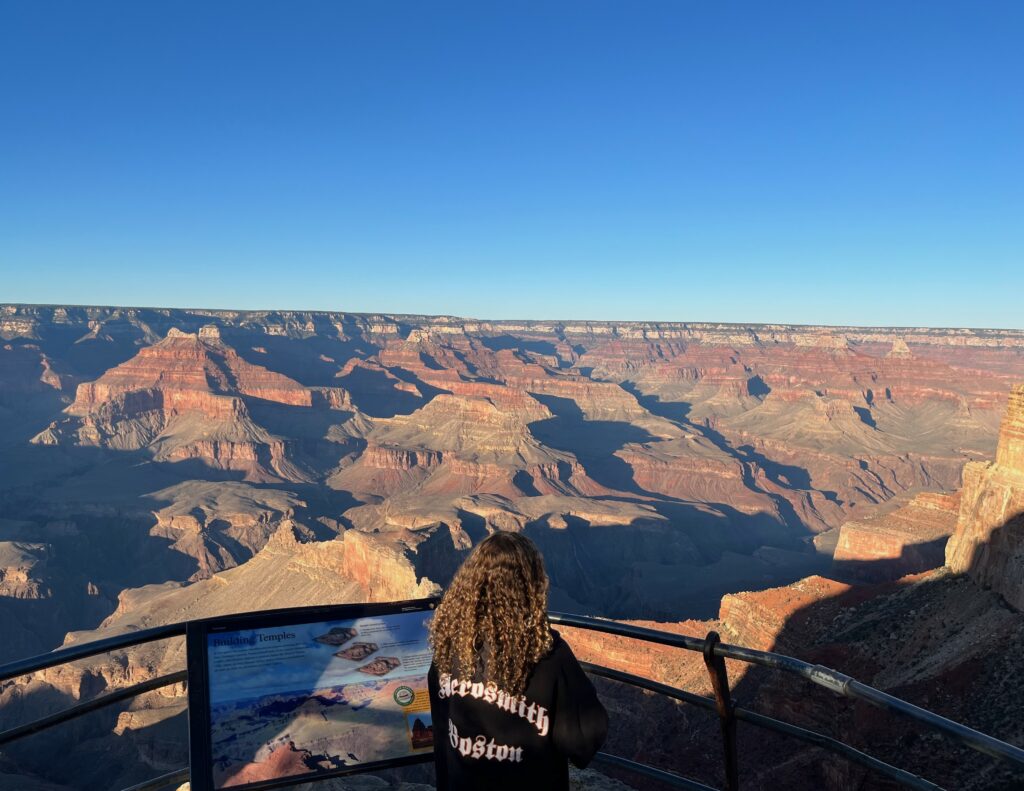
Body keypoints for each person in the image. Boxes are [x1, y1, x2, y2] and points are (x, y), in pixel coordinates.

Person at [428, 531, 608, 791]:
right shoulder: (549, 655)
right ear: (530, 587)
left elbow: (441, 726)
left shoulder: (449, 647)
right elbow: (583, 741)